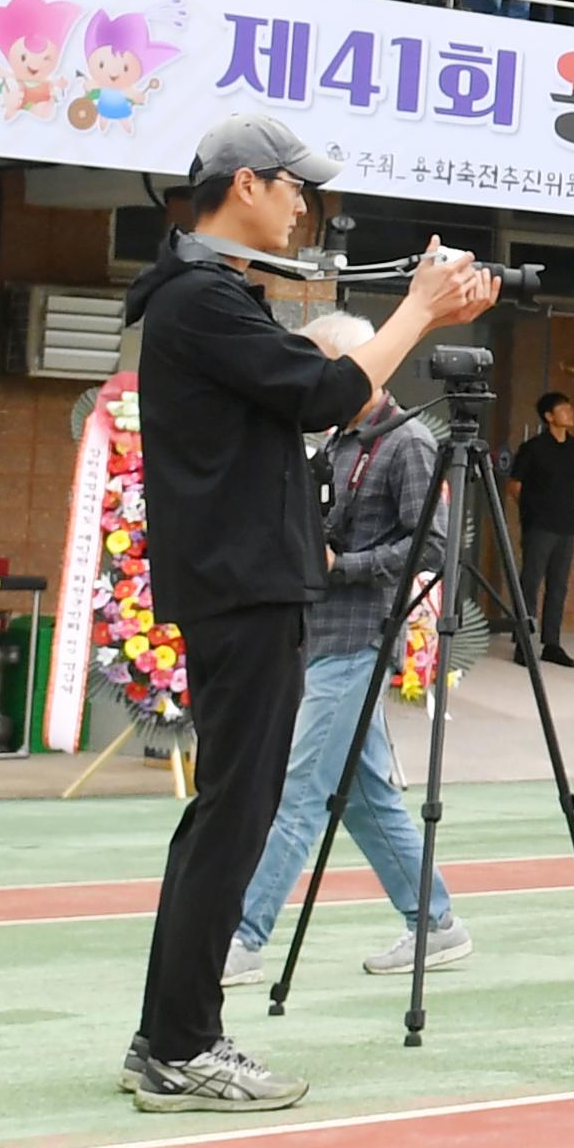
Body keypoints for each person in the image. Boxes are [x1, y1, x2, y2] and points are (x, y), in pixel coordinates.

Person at [118, 115, 496, 1111]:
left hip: (239, 584)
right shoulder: (204, 298)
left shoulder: (202, 292)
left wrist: (418, 311)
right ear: (246, 183)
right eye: (295, 187)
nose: (304, 207)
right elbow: (328, 392)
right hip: (245, 588)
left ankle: (168, 1035)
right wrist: (416, 311)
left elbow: (308, 392)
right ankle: (181, 1045)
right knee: (233, 816)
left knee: (226, 814)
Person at [228, 314, 464, 981]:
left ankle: (243, 937)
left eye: (321, 367)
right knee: (364, 798)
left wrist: (343, 565)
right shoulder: (336, 441)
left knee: (299, 791)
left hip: (359, 638)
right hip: (324, 635)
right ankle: (435, 923)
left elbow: (434, 546)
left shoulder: (407, 442)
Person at [502, 391, 574, 668]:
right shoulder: (533, 448)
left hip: (567, 525)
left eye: (570, 408)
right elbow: (514, 484)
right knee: (530, 583)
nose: (570, 413)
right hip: (539, 525)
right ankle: (523, 642)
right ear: (549, 416)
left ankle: (552, 643)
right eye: (564, 409)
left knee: (558, 585)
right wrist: (530, 510)